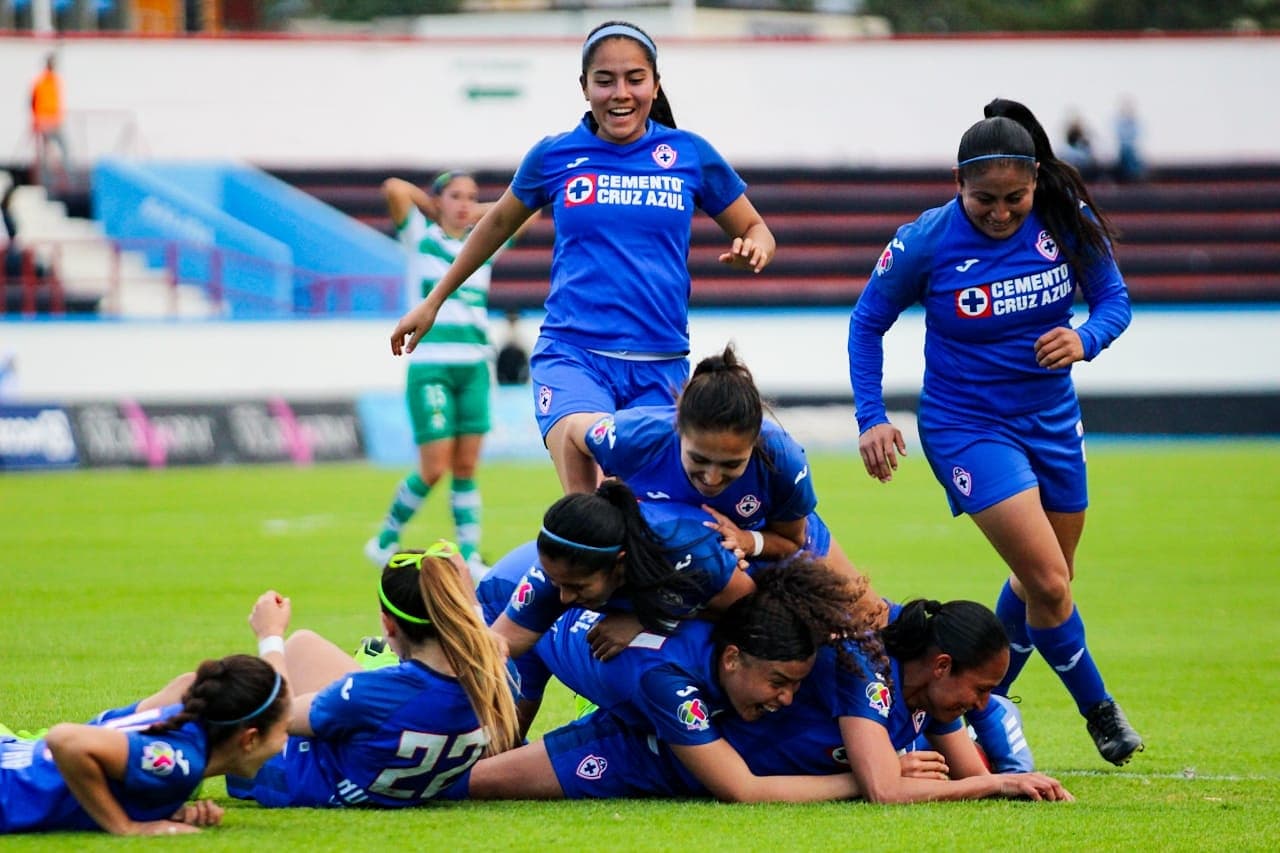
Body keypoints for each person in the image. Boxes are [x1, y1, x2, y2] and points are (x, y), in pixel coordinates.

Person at [848, 97, 1143, 765]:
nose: (1002, 212)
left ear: (1037, 182)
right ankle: (1100, 710)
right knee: (1047, 581)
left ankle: (982, 704)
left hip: (1052, 421)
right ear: (958, 185)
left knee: (1047, 579)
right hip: (966, 426)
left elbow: (1115, 301)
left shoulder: (1066, 222)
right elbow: (867, 322)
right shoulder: (925, 239)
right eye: (985, 199)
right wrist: (871, 417)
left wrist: (1085, 337)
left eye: (1015, 197)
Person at [389, 20, 776, 495]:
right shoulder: (555, 156)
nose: (621, 93)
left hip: (661, 363)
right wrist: (434, 301)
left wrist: (755, 246)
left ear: (655, 85)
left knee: (644, 516)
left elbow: (757, 228)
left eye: (635, 78)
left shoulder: (689, 155)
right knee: (589, 509)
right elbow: (494, 225)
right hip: (573, 358)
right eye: (605, 80)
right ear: (584, 87)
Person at [464, 561, 881, 803]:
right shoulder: (670, 685)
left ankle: (602, 704)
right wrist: (868, 777)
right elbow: (741, 788)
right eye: (778, 682)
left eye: (795, 685)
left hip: (618, 671)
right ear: (732, 658)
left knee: (496, 760)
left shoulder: (743, 619)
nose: (788, 698)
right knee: (473, 770)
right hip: (519, 600)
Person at [558, 344, 888, 627]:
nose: (712, 478)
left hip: (765, 538)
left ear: (755, 443)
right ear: (679, 429)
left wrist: (749, 541)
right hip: (687, 556)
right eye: (698, 460)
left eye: (732, 465)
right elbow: (573, 431)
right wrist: (589, 518)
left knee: (872, 620)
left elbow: (792, 539)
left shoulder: (783, 459)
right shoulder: (638, 435)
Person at [227, 541, 521, 807]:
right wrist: (470, 603)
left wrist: (270, 635)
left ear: (389, 625)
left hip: (287, 774)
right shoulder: (502, 674)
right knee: (304, 644)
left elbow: (280, 715)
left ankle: (180, 773)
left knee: (199, 687)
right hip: (403, 763)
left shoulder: (371, 694)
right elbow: (480, 642)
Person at [716, 599, 1072, 803]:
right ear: (942, 666)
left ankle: (999, 720)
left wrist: (1012, 784)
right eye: (980, 689)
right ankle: (1002, 718)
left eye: (986, 695)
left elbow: (971, 777)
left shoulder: (931, 699)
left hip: (815, 759)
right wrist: (1002, 782)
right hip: (715, 758)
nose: (978, 703)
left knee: (968, 756)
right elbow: (884, 790)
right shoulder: (867, 669)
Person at [366, 173, 538, 575]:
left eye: (472, 198)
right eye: (455, 197)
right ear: (438, 200)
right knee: (434, 466)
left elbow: (529, 215)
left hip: (476, 365)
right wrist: (435, 208)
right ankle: (384, 540)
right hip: (432, 366)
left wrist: (480, 213)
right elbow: (393, 187)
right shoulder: (422, 238)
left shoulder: (483, 245)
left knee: (466, 467)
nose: (464, 204)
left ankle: (470, 554)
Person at [1, 654, 289, 835]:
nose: (285, 743)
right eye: (284, 732)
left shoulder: (187, 722)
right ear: (250, 738)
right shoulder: (180, 761)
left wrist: (163, 810)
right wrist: (126, 827)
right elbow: (65, 740)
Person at [29, 53, 69, 190]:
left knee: (63, 150)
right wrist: (36, 120)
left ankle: (64, 178)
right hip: (45, 121)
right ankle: (48, 181)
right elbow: (33, 102)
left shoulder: (55, 80)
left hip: (54, 121)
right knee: (48, 153)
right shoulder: (41, 81)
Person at [1113, 97, 1146, 183]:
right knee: (1126, 152)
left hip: (1132, 153)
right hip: (1123, 152)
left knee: (1130, 153)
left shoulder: (1136, 123)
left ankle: (1133, 175)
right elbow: (1119, 136)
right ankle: (1129, 176)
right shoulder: (1118, 122)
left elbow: (1137, 137)